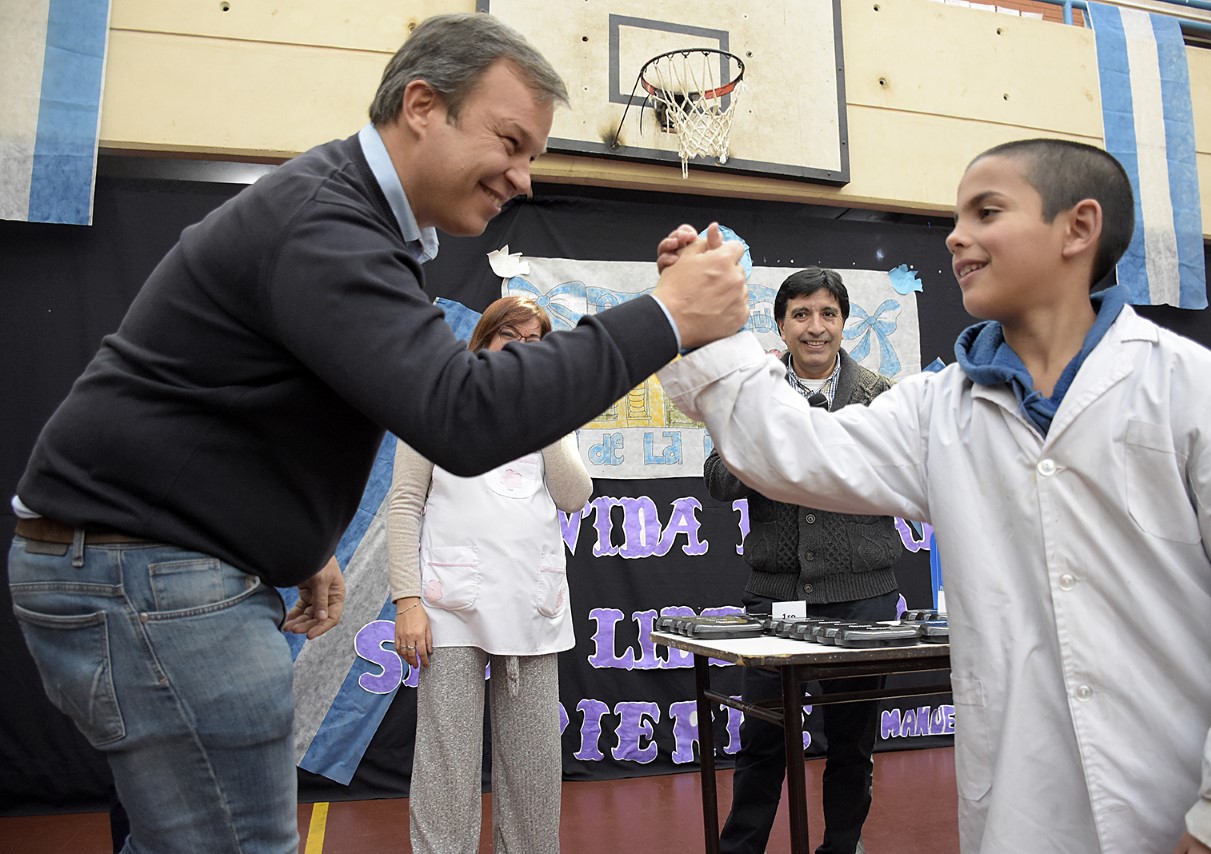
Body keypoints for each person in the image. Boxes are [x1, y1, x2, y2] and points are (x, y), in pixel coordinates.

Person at [7, 12, 745, 853]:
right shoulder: (329, 222)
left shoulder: (355, 226)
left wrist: (294, 542)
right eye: (511, 141)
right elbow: (463, 416)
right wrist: (664, 317)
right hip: (146, 577)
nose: (524, 177)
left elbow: (248, 400)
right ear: (423, 105)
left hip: (151, 566)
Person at [658, 139, 1211, 853]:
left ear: (1078, 228)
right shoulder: (937, 411)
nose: (956, 235)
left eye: (987, 212)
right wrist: (709, 330)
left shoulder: (1206, 399)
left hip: (1185, 808)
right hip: (1021, 813)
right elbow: (791, 451)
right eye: (956, 217)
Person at [705, 269, 901, 854]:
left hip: (863, 597)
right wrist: (765, 432)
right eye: (801, 315)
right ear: (782, 325)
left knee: (851, 744)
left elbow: (903, 476)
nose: (815, 328)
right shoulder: (754, 391)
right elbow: (717, 480)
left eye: (827, 314)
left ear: (843, 322)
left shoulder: (880, 394)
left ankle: (842, 846)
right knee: (763, 740)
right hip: (777, 601)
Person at [386, 295, 591, 853]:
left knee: (533, 768)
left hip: (531, 605)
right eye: (512, 339)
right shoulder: (434, 404)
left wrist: (544, 411)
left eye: (537, 343)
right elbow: (404, 503)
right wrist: (406, 601)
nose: (524, 352)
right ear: (484, 341)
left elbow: (575, 496)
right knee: (446, 764)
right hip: (449, 607)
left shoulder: (557, 408)